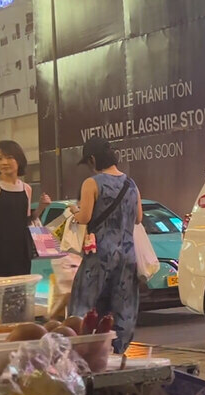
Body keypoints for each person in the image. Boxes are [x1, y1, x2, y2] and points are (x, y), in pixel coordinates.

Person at [68, 136, 142, 353]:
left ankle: (84, 351)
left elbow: (85, 217)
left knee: (84, 303)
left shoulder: (92, 183)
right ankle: (117, 351)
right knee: (123, 307)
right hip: (127, 255)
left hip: (100, 254)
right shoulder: (131, 184)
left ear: (92, 159)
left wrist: (74, 211)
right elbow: (138, 218)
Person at [0, 140, 49, 277]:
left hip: (21, 251)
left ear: (19, 160)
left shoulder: (26, 188)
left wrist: (41, 207)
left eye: (9, 158)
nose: (4, 162)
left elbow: (27, 220)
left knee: (20, 288)